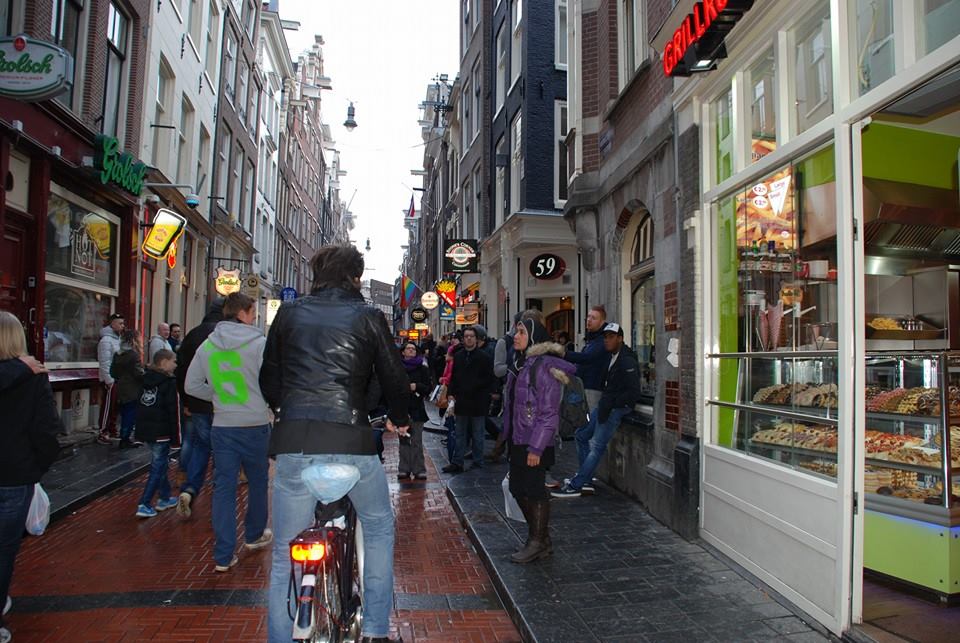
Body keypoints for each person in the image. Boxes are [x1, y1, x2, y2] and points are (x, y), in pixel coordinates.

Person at [260, 245, 409, 643]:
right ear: (355, 277)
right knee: (378, 527)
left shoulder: (288, 313)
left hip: (294, 440)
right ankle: (375, 630)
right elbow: (393, 376)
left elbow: (269, 379)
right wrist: (400, 418)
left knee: (284, 553)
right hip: (351, 440)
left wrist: (285, 409)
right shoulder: (369, 316)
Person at [185, 293, 272, 572]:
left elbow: (191, 385)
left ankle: (223, 556)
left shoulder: (208, 345)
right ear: (243, 313)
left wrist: (218, 396)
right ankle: (254, 535)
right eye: (253, 312)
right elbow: (271, 383)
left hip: (223, 425)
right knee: (258, 482)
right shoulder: (259, 344)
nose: (255, 317)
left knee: (223, 488)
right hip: (255, 423)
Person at [0, 312, 61, 643]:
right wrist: (36, 466)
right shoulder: (33, 378)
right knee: (4, 549)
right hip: (15, 474)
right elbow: (46, 431)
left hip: (18, 472)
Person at [502, 316, 575, 563]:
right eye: (516, 331)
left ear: (533, 336)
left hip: (535, 441)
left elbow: (549, 412)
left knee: (534, 490)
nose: (516, 336)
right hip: (518, 438)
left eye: (521, 332)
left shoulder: (543, 367)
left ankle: (537, 541)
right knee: (517, 488)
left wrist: (536, 448)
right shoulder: (521, 363)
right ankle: (540, 538)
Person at [553, 322, 641, 498]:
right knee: (581, 435)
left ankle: (577, 485)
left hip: (613, 409)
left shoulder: (626, 360)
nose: (607, 340)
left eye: (611, 337)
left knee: (597, 446)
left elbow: (633, 392)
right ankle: (585, 479)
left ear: (620, 339)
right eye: (605, 337)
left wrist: (613, 404)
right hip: (605, 406)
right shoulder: (611, 356)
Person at [174, 300, 224, 517]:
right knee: (222, 448)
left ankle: (189, 487)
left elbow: (180, 369)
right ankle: (220, 493)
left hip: (195, 401)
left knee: (199, 445)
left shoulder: (192, 335)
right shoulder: (223, 336)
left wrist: (185, 401)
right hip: (221, 401)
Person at [443, 326, 496, 474]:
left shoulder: (484, 357)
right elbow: (454, 377)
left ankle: (478, 462)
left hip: (478, 401)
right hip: (462, 401)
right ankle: (457, 462)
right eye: (466, 336)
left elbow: (489, 379)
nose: (469, 339)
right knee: (460, 434)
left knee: (478, 434)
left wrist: (475, 388)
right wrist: (451, 393)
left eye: (471, 336)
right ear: (463, 339)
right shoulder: (459, 356)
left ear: (476, 339)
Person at [134, 349, 181, 517]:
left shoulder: (145, 380)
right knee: (158, 466)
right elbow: (173, 411)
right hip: (162, 430)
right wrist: (177, 439)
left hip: (147, 430)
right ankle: (144, 503)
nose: (176, 364)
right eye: (174, 361)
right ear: (164, 362)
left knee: (160, 464)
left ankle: (165, 497)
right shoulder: (169, 383)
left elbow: (140, 406)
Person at [563, 305, 608, 410]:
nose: (589, 320)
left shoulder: (602, 340)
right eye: (588, 316)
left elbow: (588, 357)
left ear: (602, 322)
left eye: (593, 318)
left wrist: (564, 354)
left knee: (589, 416)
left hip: (593, 387)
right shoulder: (592, 339)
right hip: (584, 385)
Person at [398, 342, 430, 481]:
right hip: (402, 409)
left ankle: (419, 469)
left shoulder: (422, 368)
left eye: (413, 349)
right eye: (408, 348)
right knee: (404, 440)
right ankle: (404, 469)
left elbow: (428, 388)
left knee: (417, 440)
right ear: (403, 352)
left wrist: (417, 386)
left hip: (417, 408)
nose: (411, 350)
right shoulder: (397, 368)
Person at [110, 330, 144, 449]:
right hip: (132, 388)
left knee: (125, 413)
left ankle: (124, 437)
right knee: (130, 414)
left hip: (121, 386)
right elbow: (138, 373)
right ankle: (125, 438)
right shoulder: (134, 355)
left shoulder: (117, 354)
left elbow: (113, 372)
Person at [96, 312, 125, 444]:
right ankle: (103, 432)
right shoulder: (106, 340)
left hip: (118, 378)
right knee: (108, 406)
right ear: (112, 324)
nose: (122, 326)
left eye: (123, 323)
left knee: (115, 406)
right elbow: (104, 361)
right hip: (111, 379)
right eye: (120, 323)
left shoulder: (118, 339)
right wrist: (109, 380)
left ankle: (112, 429)